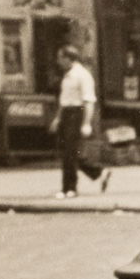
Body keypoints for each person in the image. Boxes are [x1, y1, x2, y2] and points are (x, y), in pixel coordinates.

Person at [47, 45, 108, 198]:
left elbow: (89, 101)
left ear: (69, 58)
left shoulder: (82, 75)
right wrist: (58, 118)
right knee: (68, 152)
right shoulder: (67, 76)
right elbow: (64, 100)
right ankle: (99, 172)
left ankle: (70, 188)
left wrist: (87, 123)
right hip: (67, 113)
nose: (58, 61)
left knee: (70, 151)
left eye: (60, 58)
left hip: (77, 113)